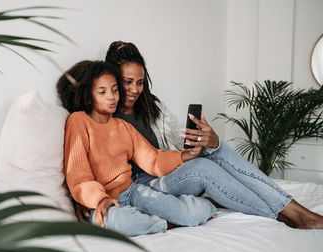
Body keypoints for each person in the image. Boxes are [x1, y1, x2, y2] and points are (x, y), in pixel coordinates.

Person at [95, 40, 323, 230]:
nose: (135, 89)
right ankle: (282, 215)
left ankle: (294, 211)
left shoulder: (152, 108)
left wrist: (208, 141)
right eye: (127, 82)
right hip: (141, 189)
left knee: (217, 151)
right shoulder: (101, 117)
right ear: (112, 79)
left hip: (171, 177)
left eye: (140, 82)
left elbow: (182, 145)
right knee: (206, 169)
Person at [57, 60, 217, 236]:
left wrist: (183, 156)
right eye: (102, 92)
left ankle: (196, 209)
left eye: (115, 90)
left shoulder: (123, 126)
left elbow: (153, 160)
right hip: (101, 203)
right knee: (121, 222)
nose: (112, 96)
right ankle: (166, 224)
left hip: (132, 192)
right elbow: (79, 177)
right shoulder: (78, 121)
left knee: (191, 213)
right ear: (87, 96)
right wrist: (100, 199)